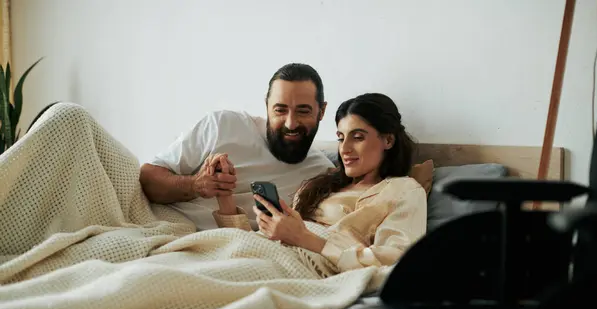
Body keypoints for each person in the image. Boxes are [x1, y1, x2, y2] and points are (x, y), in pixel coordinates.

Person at [211, 93, 427, 275]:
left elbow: (394, 261)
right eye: (341, 138)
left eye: (358, 137)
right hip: (267, 253)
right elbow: (255, 242)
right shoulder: (320, 185)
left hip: (301, 267)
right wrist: (224, 196)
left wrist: (302, 237)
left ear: (388, 140)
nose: (345, 149)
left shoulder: (404, 189)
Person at [139, 63, 334, 231]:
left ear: (322, 111)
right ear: (266, 105)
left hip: (229, 244)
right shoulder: (224, 125)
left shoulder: (324, 175)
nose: (290, 123)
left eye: (303, 111)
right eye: (280, 110)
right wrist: (195, 185)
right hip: (161, 223)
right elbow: (148, 177)